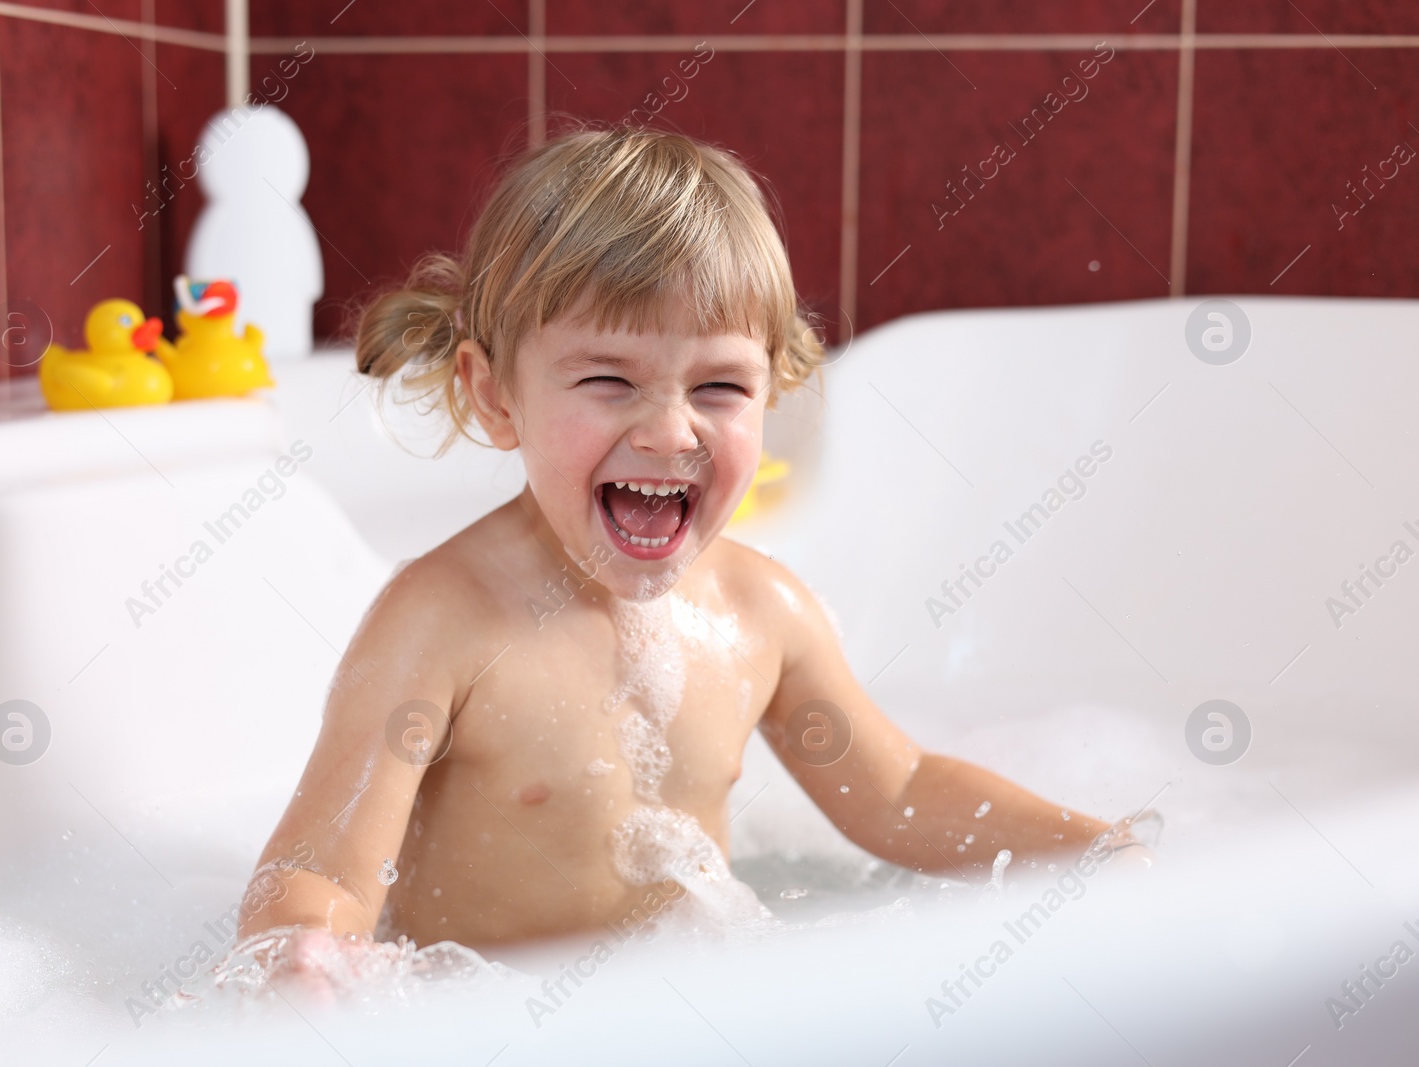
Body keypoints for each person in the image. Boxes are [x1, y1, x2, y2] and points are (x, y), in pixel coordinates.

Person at [235, 125, 1148, 991]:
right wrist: (309, 962)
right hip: (489, 1019)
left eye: (719, 387)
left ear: (771, 393)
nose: (670, 432)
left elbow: (898, 790)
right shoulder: (441, 621)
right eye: (608, 380)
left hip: (695, 1007)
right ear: (494, 395)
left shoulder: (763, 612)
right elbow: (322, 875)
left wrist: (1093, 850)